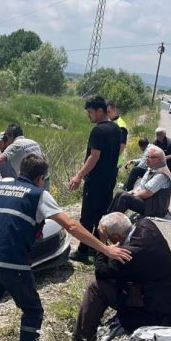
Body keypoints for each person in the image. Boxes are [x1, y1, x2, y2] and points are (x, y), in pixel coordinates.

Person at [0, 155, 132, 341]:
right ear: (40, 178)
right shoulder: (38, 195)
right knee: (33, 309)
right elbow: (72, 225)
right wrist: (106, 250)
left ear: (20, 171)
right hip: (11, 261)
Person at [73, 212, 171, 341]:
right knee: (113, 276)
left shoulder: (130, 254)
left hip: (154, 312)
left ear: (116, 237)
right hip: (168, 297)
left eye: (109, 237)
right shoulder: (147, 225)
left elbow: (101, 272)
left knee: (96, 286)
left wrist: (103, 244)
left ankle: (82, 338)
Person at [68, 96, 122, 262]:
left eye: (90, 112)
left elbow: (94, 156)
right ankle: (96, 248)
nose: (88, 115)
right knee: (102, 216)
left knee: (86, 217)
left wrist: (79, 176)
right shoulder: (116, 128)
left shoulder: (98, 131)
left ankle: (83, 251)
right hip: (109, 178)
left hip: (96, 180)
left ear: (100, 111)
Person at [109, 146, 171, 218]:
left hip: (155, 209)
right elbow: (141, 186)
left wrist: (132, 194)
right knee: (120, 193)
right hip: (149, 203)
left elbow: (147, 193)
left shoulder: (162, 174)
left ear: (157, 159)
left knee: (124, 197)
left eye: (149, 157)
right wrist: (131, 192)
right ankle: (108, 217)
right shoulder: (153, 167)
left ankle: (113, 222)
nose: (146, 159)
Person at [107, 101, 128, 165]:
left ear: (115, 110)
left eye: (109, 112)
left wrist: (114, 158)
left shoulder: (121, 125)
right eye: (106, 112)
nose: (107, 114)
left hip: (115, 161)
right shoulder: (111, 122)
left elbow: (122, 144)